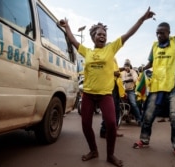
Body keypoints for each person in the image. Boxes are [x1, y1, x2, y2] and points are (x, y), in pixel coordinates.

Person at [59, 7, 155, 167]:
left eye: (104, 34)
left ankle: (110, 155)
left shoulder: (111, 48)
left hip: (105, 94)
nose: (102, 36)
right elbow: (74, 41)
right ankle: (93, 150)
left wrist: (141, 19)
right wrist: (67, 26)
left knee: (111, 123)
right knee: (85, 125)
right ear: (93, 37)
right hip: (88, 94)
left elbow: (128, 34)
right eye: (99, 34)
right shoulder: (87, 52)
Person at [132, 22, 175, 159]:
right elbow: (151, 62)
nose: (159, 35)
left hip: (173, 84)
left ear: (169, 33)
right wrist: (143, 68)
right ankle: (144, 139)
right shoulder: (154, 45)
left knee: (174, 117)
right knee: (148, 115)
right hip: (157, 85)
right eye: (157, 33)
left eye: (162, 33)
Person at [100, 58, 124, 138]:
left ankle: (113, 131)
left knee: (116, 109)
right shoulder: (105, 57)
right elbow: (102, 70)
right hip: (109, 85)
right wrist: (114, 73)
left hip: (116, 85)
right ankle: (104, 131)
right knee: (109, 110)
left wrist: (123, 68)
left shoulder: (113, 58)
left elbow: (116, 70)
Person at [121, 59, 142, 126]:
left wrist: (126, 80)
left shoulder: (133, 71)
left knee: (133, 103)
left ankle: (139, 120)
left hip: (131, 90)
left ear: (130, 65)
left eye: (127, 65)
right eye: (125, 65)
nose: (126, 66)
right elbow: (121, 79)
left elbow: (135, 79)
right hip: (122, 90)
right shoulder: (122, 72)